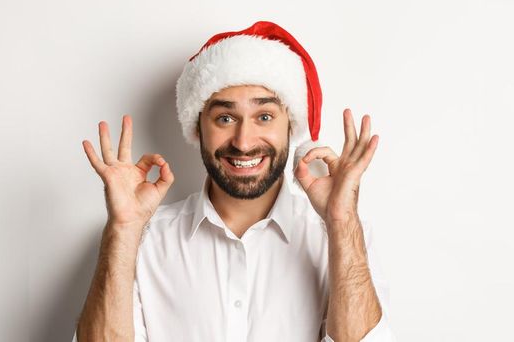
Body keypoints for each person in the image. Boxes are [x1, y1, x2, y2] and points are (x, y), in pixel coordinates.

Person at [73, 21, 396, 341]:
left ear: (290, 127)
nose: (243, 142)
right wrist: (124, 228)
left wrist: (341, 221)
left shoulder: (341, 235)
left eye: (264, 117)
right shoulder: (144, 238)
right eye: (225, 118)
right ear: (198, 128)